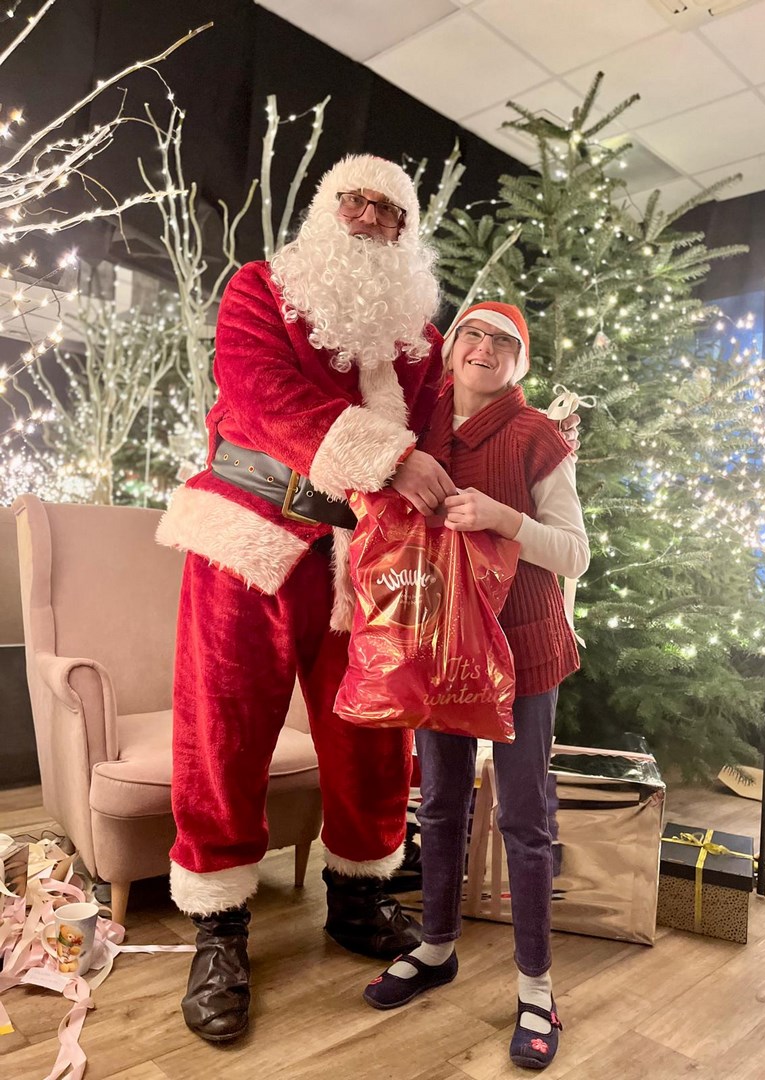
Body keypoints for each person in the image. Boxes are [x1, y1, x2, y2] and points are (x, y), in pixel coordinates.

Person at [157, 155, 581, 1043]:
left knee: (375, 731)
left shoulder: (420, 339)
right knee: (224, 729)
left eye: (391, 213)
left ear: (406, 234)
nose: (370, 220)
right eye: (355, 201)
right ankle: (220, 925)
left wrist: (536, 433)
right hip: (248, 532)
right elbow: (261, 397)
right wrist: (389, 457)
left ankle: (356, 894)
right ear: (326, 207)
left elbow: (460, 421)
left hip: (368, 556)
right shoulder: (260, 290)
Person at [362, 301, 590, 1072]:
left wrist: (504, 519)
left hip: (522, 652)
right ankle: (436, 946)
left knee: (523, 818)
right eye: (473, 333)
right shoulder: (418, 425)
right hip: (440, 647)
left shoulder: (536, 436)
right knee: (439, 803)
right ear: (452, 346)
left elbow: (576, 555)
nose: (484, 346)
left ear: (520, 362)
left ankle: (537, 988)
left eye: (503, 340)